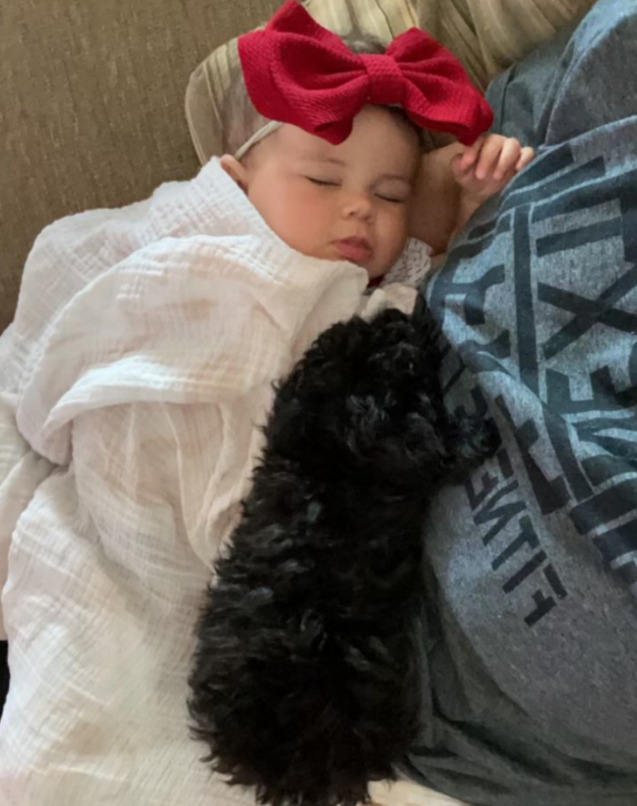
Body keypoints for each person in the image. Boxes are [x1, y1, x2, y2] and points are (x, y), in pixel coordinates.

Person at [218, 0, 534, 290]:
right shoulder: (210, 271)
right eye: (323, 180)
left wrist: (476, 204)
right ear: (236, 189)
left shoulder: (394, 279)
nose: (363, 207)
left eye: (390, 196)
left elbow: (459, 280)